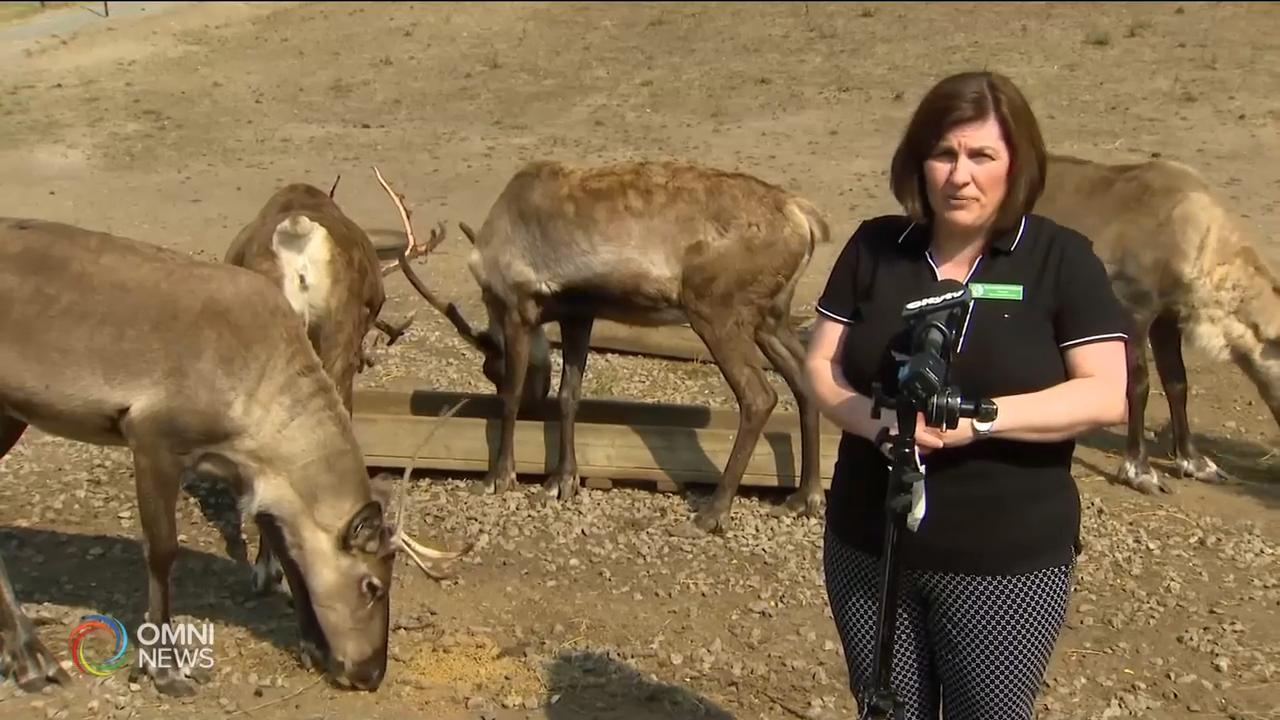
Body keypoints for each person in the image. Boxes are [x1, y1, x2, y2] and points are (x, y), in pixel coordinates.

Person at [803, 70, 1130, 720]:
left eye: (983, 156)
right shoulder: (875, 247)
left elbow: (1105, 395)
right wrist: (877, 423)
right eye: (944, 154)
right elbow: (820, 366)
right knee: (886, 711)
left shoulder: (1060, 260)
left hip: (1003, 563)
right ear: (918, 162)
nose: (960, 175)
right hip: (871, 547)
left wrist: (980, 421)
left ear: (1018, 165)